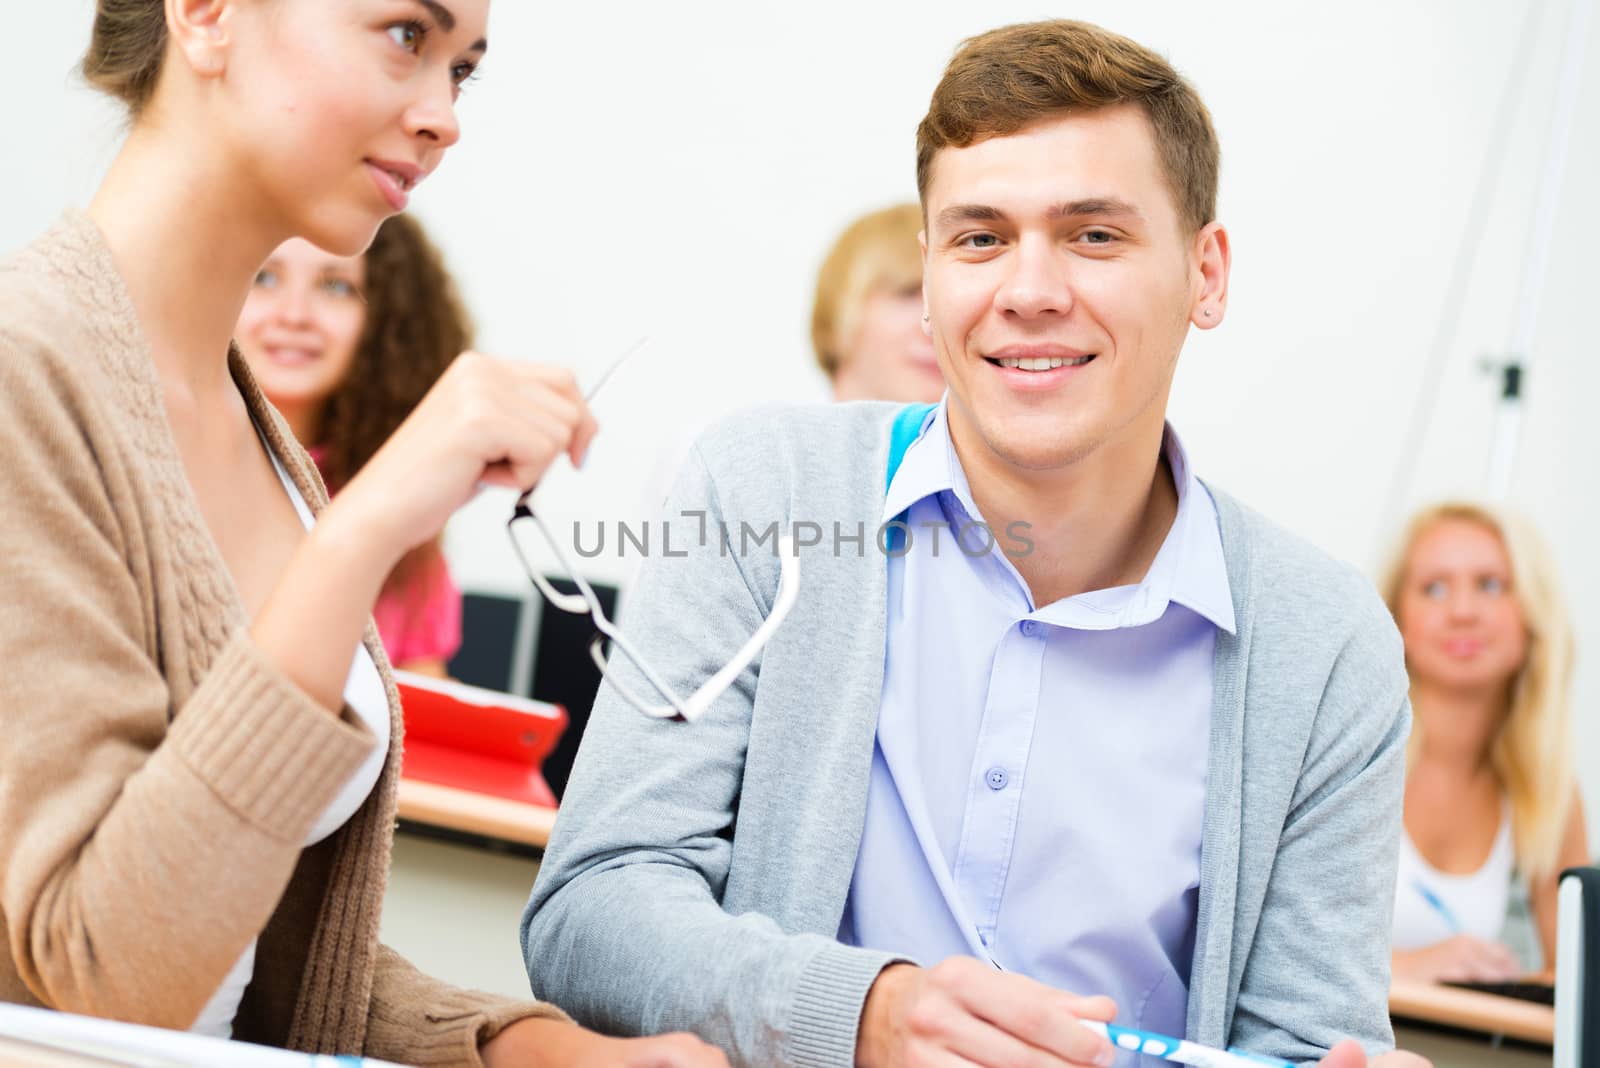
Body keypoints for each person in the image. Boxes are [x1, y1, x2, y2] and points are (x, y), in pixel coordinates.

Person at [524, 19, 1423, 1068]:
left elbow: (1310, 1041)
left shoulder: (1324, 642)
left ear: (1205, 274)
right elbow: (592, 910)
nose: (1027, 290)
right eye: (979, 237)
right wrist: (859, 1015)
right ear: (932, 270)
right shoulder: (764, 490)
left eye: (1094, 235)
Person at [0, 2, 724, 1065]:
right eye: (404, 36)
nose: (444, 117)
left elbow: (257, 956)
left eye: (463, 70)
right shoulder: (26, 378)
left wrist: (531, 1050)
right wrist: (366, 529)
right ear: (205, 16)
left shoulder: (254, 437)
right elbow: (110, 976)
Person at [237, 217, 469, 677]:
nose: (294, 314)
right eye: (264, 278)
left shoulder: (402, 513)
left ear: (386, 324)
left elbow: (426, 722)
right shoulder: (165, 470)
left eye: (336, 287)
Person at [1383, 502, 1589, 984]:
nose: (1462, 612)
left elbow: (1580, 981)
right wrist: (1409, 968)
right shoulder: (1347, 752)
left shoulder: (1546, 789)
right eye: (1434, 588)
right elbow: (1267, 952)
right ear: (1397, 618)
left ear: (1532, 616)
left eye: (1491, 585)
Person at [811, 203, 945, 404]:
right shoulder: (769, 432)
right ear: (837, 312)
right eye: (907, 293)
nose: (936, 322)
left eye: (946, 299)